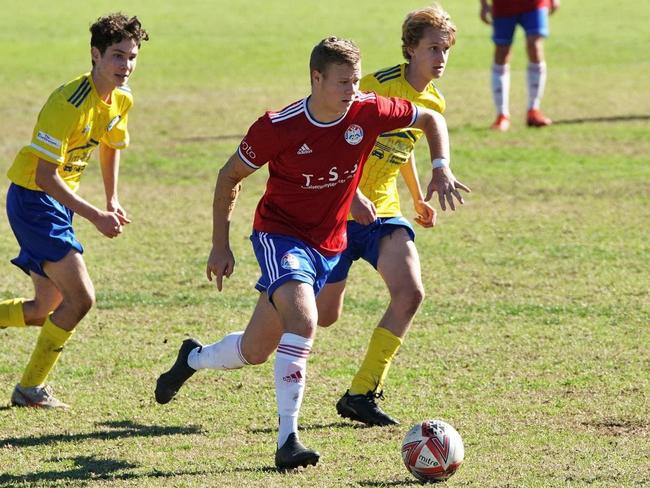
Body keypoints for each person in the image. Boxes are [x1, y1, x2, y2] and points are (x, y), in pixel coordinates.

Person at [155, 36, 467, 470]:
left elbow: (430, 118)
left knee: (254, 349)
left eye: (356, 82)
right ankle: (288, 440)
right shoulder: (278, 126)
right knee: (306, 319)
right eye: (342, 82)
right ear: (316, 78)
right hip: (279, 234)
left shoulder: (365, 109)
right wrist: (220, 243)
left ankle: (192, 357)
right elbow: (229, 177)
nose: (351, 92)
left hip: (328, 242)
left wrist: (440, 166)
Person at [316, 4, 468, 428]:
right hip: (338, 209)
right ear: (410, 49)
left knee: (410, 292)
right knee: (322, 316)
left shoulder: (433, 99)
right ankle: (216, 351)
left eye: (446, 49)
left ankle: (361, 392)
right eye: (432, 48)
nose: (441, 58)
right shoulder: (374, 87)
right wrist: (347, 196)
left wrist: (417, 197)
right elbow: (331, 139)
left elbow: (402, 149)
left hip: (383, 209)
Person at [1, 13, 148, 408]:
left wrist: (111, 199)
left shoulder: (122, 98)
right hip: (35, 200)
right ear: (95, 54)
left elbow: (111, 144)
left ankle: (29, 388)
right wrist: (94, 216)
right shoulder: (66, 103)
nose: (126, 66)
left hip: (56, 204)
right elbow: (47, 177)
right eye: (117, 56)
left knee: (41, 309)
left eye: (132, 57)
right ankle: (30, 389)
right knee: (80, 299)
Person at [479, 0, 560, 131]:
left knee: (535, 47)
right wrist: (483, 5)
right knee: (502, 52)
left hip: (534, 4)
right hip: (503, 6)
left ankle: (534, 110)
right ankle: (502, 115)